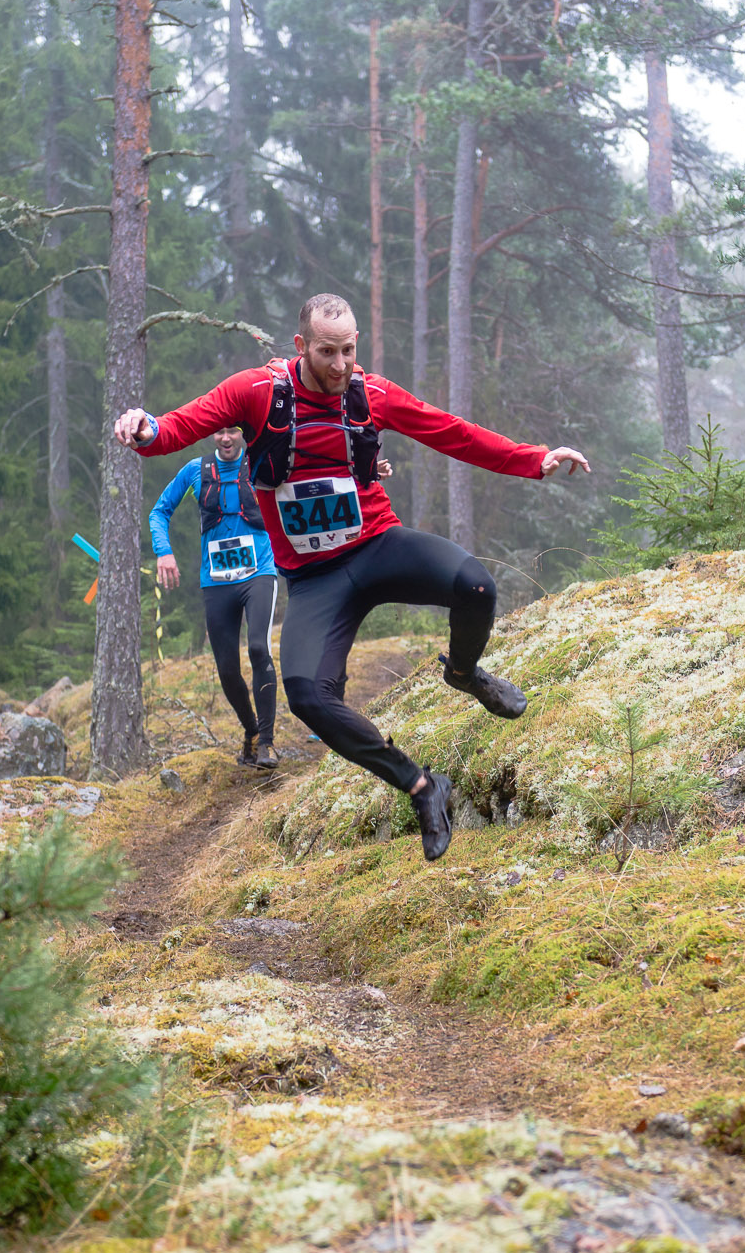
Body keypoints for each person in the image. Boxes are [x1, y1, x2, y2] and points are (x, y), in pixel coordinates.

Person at [114, 292, 589, 862]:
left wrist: (533, 459)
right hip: (316, 579)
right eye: (326, 352)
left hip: (377, 546)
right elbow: (177, 427)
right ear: (301, 346)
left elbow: (451, 432)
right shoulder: (256, 392)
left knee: (477, 586)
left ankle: (463, 673)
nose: (340, 365)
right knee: (307, 697)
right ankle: (422, 787)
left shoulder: (370, 393)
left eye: (348, 350)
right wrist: (144, 429)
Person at [149, 425, 282, 768]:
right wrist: (164, 551)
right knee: (227, 669)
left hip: (259, 571)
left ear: (243, 433)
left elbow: (308, 477)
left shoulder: (261, 463)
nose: (226, 439)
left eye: (233, 431)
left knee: (258, 648)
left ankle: (267, 744)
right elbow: (159, 511)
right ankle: (251, 731)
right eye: (220, 432)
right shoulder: (196, 470)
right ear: (212, 435)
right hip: (217, 580)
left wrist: (369, 472)